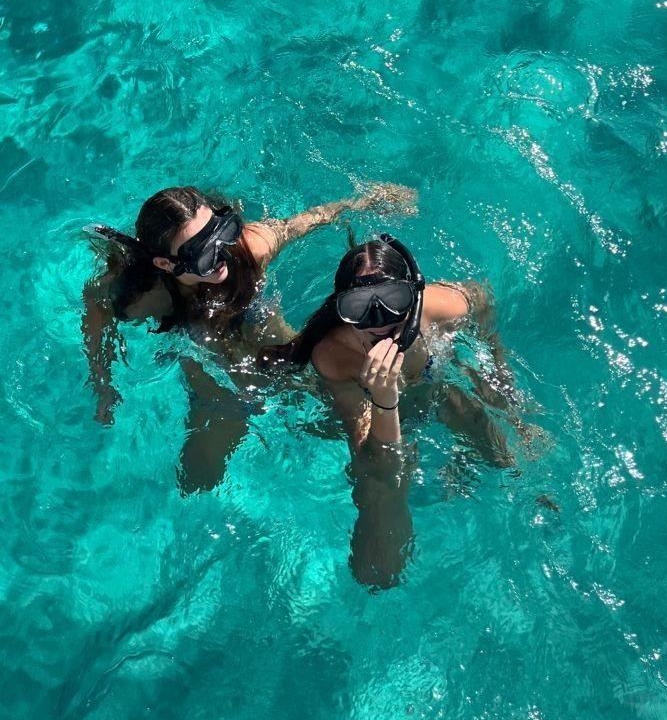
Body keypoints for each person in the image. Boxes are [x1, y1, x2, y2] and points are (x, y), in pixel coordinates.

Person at [81, 183, 416, 492]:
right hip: (212, 371)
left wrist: (365, 201)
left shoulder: (249, 249)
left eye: (222, 231)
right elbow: (95, 304)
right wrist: (102, 381)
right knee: (197, 479)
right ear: (166, 264)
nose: (222, 252)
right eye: (203, 252)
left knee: (334, 416)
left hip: (269, 338)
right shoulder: (149, 296)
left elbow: (303, 221)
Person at [260, 235, 530, 587]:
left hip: (438, 389)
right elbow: (379, 464)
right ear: (341, 308)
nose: (378, 322)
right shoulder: (334, 356)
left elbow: (483, 299)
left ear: (413, 299)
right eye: (359, 307)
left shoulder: (441, 307)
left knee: (512, 456)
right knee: (378, 495)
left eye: (393, 302)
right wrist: (383, 399)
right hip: (379, 413)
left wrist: (499, 384)